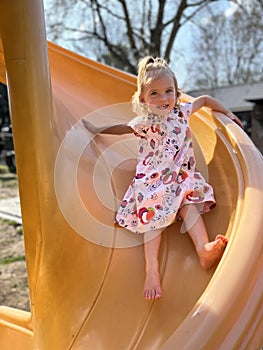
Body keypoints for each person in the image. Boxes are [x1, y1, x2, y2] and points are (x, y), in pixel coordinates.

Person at [82, 56, 243, 301]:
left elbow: (206, 100)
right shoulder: (145, 124)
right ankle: (152, 270)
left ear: (177, 94)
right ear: (143, 99)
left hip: (181, 177)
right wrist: (95, 129)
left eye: (169, 91)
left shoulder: (182, 112)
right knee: (153, 216)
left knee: (189, 202)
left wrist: (228, 113)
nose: (163, 98)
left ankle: (203, 250)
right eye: (154, 93)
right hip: (153, 181)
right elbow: (121, 128)